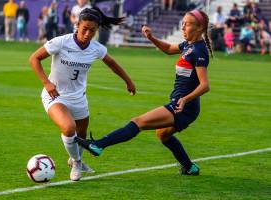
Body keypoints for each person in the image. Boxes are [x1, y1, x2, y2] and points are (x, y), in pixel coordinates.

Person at [75, 9, 212, 175]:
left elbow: (205, 85)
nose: (183, 27)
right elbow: (169, 48)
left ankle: (98, 145)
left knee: (138, 122)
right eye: (182, 23)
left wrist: (185, 100)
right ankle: (190, 167)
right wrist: (151, 38)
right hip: (181, 104)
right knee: (163, 136)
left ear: (200, 28)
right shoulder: (189, 45)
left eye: (187, 24)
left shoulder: (199, 51)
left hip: (183, 106)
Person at [29, 7, 136, 181]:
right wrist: (46, 83)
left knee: (82, 135)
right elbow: (34, 58)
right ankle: (77, 162)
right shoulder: (61, 42)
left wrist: (128, 81)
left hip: (79, 98)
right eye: (84, 29)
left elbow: (113, 64)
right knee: (69, 128)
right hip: (55, 95)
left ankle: (75, 158)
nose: (87, 34)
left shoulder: (96, 48)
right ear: (77, 25)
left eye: (92, 31)